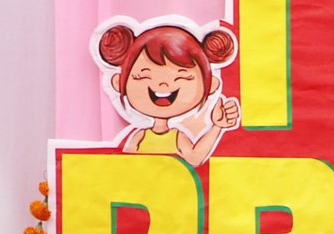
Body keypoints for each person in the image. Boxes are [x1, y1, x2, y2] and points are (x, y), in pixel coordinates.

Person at [95, 19, 241, 166]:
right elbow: (126, 163)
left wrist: (217, 126)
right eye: (144, 76)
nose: (163, 84)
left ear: (210, 86)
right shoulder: (140, 136)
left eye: (182, 77)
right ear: (118, 82)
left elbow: (194, 159)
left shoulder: (177, 137)